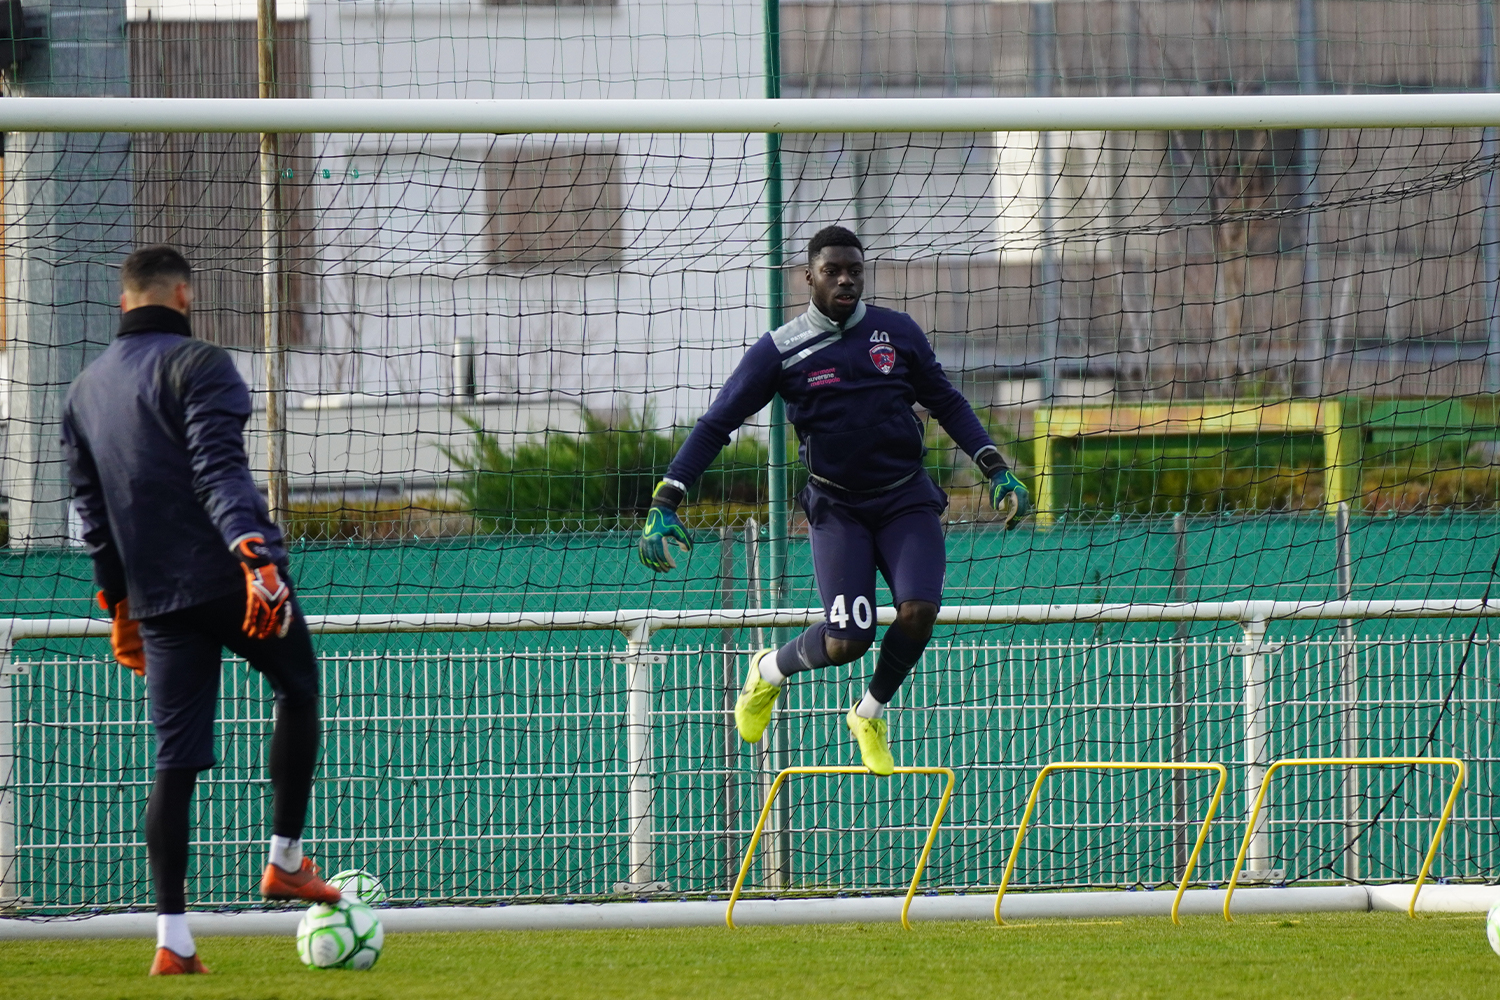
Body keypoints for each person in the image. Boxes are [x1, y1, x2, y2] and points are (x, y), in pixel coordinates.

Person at [638, 225, 1031, 774]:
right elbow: (717, 422)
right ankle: (769, 671)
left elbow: (947, 400)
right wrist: (667, 498)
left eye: (854, 270)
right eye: (832, 271)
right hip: (837, 508)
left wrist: (994, 467)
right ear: (809, 277)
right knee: (849, 640)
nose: (845, 279)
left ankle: (868, 713)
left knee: (919, 612)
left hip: (905, 501)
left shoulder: (896, 333)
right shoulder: (780, 350)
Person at [61, 246, 342, 976]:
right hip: (230, 577)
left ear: (125, 301)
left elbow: (92, 512)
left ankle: (173, 940)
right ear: (182, 295)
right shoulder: (201, 363)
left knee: (174, 763)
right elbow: (219, 469)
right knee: (299, 686)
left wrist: (115, 598)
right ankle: (284, 858)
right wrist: (256, 559)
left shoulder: (84, 390)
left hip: (155, 599)